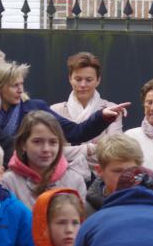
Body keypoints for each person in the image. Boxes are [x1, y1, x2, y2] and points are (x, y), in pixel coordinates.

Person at [0, 61, 128, 145]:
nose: (20, 90)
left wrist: (102, 116)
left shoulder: (35, 108)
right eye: (14, 85)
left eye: (21, 84)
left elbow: (75, 132)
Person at [50, 52, 124, 182]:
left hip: (100, 179)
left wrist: (70, 150)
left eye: (89, 80)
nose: (83, 84)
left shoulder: (111, 108)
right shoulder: (56, 110)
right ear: (70, 78)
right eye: (78, 79)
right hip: (63, 177)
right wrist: (90, 148)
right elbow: (53, 152)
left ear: (98, 80)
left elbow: (114, 150)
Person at [1, 111, 87, 208]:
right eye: (37, 142)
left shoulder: (75, 181)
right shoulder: (8, 183)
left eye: (53, 142)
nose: (46, 149)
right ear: (23, 144)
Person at [83, 134, 143, 218]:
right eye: (118, 171)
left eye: (131, 170)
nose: (125, 177)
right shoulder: (86, 212)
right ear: (100, 171)